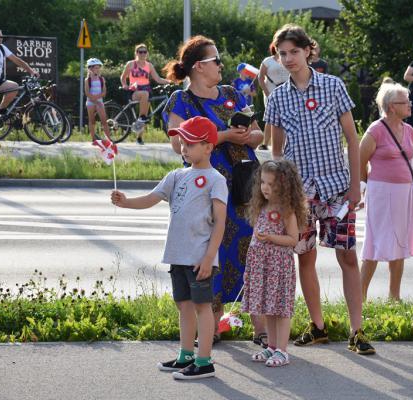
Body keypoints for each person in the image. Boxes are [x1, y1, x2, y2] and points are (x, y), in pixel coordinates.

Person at [265, 24, 375, 355]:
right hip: (299, 194)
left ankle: (357, 331)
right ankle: (318, 326)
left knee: (347, 257)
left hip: (336, 188)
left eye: (294, 52)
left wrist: (355, 186)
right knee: (305, 259)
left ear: (309, 50)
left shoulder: (332, 86)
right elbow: (276, 151)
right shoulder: (278, 96)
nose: (288, 59)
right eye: (282, 54)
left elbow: (353, 139)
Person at [162, 35, 267, 348]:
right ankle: (215, 324)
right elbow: (180, 147)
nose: (221, 65)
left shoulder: (232, 94)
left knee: (251, 251)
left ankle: (260, 328)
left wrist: (246, 136)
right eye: (215, 60)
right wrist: (223, 136)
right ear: (198, 67)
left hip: (245, 185)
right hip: (205, 188)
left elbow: (259, 134)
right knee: (212, 251)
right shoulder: (180, 102)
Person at [111, 116, 227, 380]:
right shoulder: (176, 176)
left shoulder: (215, 179)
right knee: (184, 306)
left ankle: (204, 361)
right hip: (178, 255)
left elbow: (220, 222)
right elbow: (151, 198)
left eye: (191, 143)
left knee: (202, 307)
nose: (184, 148)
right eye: (181, 142)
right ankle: (186, 355)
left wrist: (210, 257)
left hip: (200, 258)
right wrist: (126, 202)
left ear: (208, 147)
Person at [242, 160, 307, 367]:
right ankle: (271, 347)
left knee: (280, 309)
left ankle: (282, 350)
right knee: (268, 308)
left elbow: (293, 239)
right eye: (262, 182)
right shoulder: (262, 206)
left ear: (284, 186)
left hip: (279, 267)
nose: (265, 188)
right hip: (263, 266)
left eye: (271, 184)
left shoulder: (286, 210)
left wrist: (270, 238)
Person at [359, 81, 413, 301]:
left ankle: (394, 297)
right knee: (375, 244)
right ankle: (360, 297)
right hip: (381, 192)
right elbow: (360, 160)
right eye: (406, 102)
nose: (410, 105)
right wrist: (363, 187)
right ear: (392, 106)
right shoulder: (376, 130)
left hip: (405, 193)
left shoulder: (409, 131)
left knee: (400, 244)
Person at [120, 43, 171, 144]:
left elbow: (158, 79)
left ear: (147, 53)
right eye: (140, 52)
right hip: (134, 91)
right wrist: (124, 85)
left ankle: (139, 138)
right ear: (136, 53)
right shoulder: (130, 64)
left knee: (143, 115)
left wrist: (170, 81)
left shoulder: (149, 65)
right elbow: (123, 77)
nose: (142, 54)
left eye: (144, 52)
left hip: (146, 91)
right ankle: (142, 119)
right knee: (144, 96)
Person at [0, 27, 38, 124]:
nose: (0, 38)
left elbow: (17, 60)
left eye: (1, 36)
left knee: (14, 87)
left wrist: (31, 71)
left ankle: (0, 111)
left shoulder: (2, 48)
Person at [257, 43, 289, 150]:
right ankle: (265, 143)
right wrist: (266, 92)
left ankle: (284, 145)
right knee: (271, 118)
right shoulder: (267, 61)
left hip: (286, 92)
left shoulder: (287, 59)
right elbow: (261, 78)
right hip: (270, 91)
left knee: (286, 117)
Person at [84, 58, 111, 142]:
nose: (98, 69)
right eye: (96, 67)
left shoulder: (101, 79)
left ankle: (109, 140)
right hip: (90, 102)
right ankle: (94, 140)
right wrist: (94, 100)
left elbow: (104, 92)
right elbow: (87, 93)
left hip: (99, 102)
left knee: (104, 120)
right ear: (90, 69)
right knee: (92, 121)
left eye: (99, 67)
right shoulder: (87, 80)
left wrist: (97, 99)